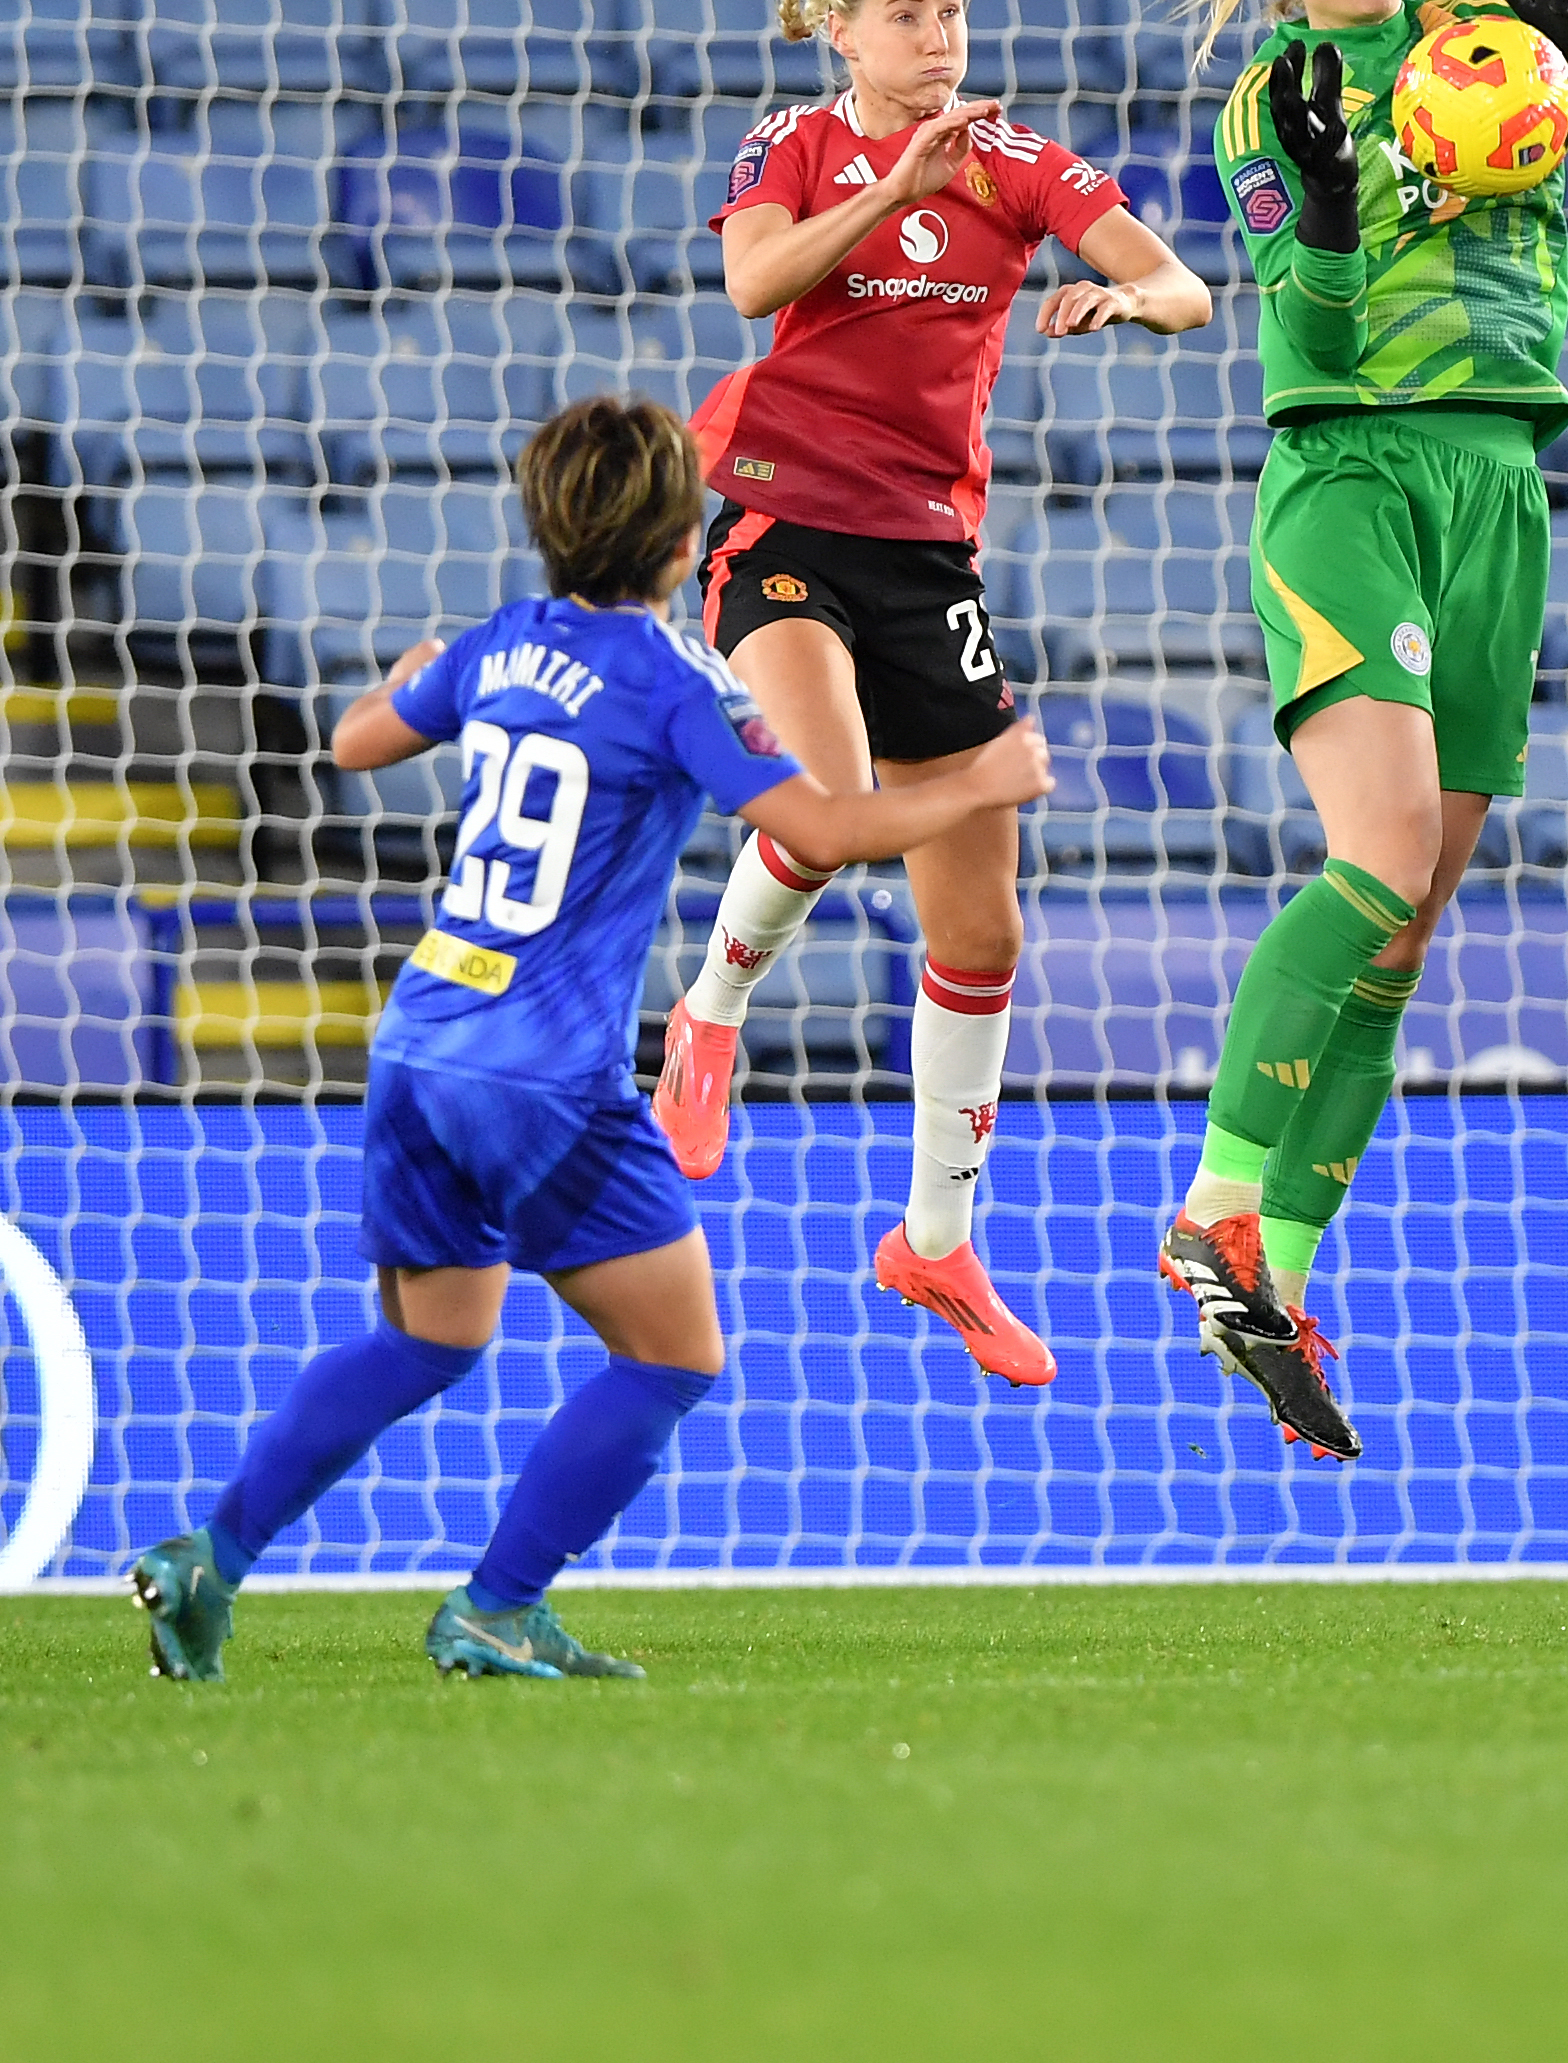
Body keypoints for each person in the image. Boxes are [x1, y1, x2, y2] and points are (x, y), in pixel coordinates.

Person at [127, 395, 1053, 1683]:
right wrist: (981, 783)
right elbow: (828, 831)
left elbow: (351, 743)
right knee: (673, 1355)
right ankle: (497, 1606)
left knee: (429, 1340)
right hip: (545, 1073)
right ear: (685, 546)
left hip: (420, 1046)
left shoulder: (502, 644)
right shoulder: (674, 685)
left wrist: (408, 677)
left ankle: (206, 1562)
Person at [1144, 0, 1568, 1463]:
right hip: (1348, 478)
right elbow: (1298, 315)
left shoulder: (1488, 44)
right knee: (1377, 860)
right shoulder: (1271, 101)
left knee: (1402, 938)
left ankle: (1280, 1279)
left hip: (1498, 488)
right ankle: (1216, 1204)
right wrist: (1328, 205)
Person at [650, 0, 1210, 1391]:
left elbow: (1184, 281)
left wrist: (1130, 299)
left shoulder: (1018, 159)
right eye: (905, 13)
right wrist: (893, 183)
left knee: (981, 930)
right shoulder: (792, 143)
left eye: (950, 10)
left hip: (924, 556)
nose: (937, 36)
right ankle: (705, 1020)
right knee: (828, 812)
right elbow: (754, 285)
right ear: (843, 30)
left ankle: (936, 1241)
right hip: (779, 520)